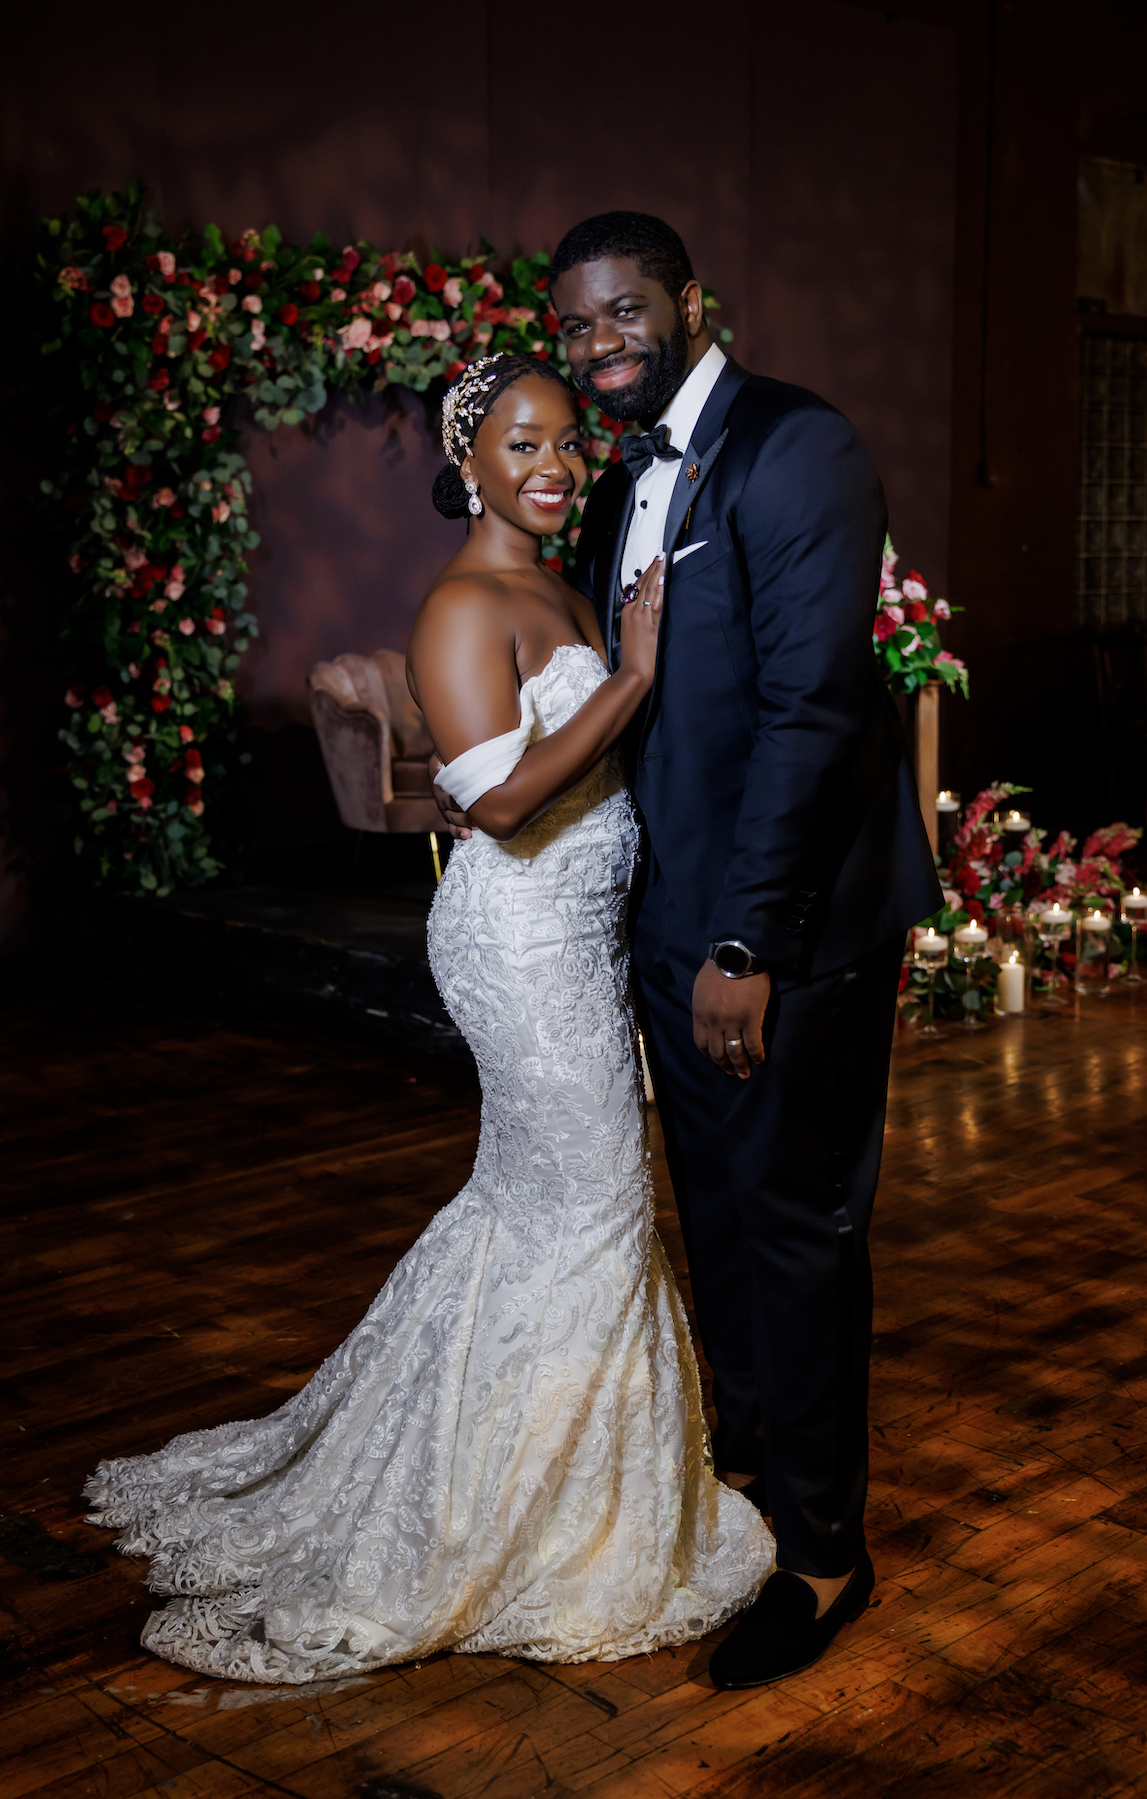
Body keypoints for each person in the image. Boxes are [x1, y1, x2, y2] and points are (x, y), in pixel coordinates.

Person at [84, 352, 772, 1685]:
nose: (553, 466)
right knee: (593, 1207)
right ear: (469, 463)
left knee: (550, 1210)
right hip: (519, 946)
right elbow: (501, 804)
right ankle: (531, 1522)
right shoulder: (461, 605)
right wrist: (631, 678)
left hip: (583, 939)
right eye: (521, 445)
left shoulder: (557, 585)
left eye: (566, 442)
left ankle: (535, 1485)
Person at [545, 212, 944, 1686]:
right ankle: (755, 1488)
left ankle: (827, 1556)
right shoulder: (621, 484)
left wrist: (741, 940)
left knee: (795, 1227)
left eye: (622, 311)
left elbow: (814, 712)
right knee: (716, 1217)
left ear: (691, 301)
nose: (599, 344)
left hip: (782, 931)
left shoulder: (797, 447)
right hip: (674, 921)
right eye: (575, 325)